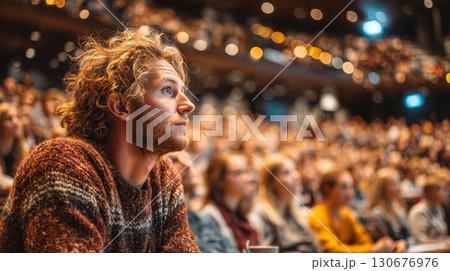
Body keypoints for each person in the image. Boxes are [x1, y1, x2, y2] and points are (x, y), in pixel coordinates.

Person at [0, 27, 200, 252]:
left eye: (182, 91)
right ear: (121, 106)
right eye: (167, 90)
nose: (189, 105)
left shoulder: (164, 178)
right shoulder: (62, 164)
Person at [309, 169, 397, 253]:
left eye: (351, 187)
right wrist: (372, 250)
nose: (350, 193)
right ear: (327, 189)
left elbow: (365, 240)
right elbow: (333, 251)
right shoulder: (318, 215)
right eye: (344, 187)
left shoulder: (346, 212)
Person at [168, 151, 238, 253]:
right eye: (174, 160)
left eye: (188, 158)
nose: (188, 164)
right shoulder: (162, 225)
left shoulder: (204, 220)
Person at [249, 155, 321, 253]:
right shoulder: (261, 214)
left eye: (295, 170)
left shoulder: (294, 212)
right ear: (271, 182)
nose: (296, 176)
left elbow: (316, 247)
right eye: (286, 173)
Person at [200, 152, 258, 252]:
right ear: (218, 180)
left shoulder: (242, 213)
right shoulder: (209, 216)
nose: (248, 178)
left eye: (247, 172)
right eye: (238, 173)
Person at [366, 167, 413, 252]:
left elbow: (411, 237)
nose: (399, 186)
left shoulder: (398, 209)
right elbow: (386, 244)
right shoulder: (377, 214)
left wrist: (404, 243)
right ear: (383, 189)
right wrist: (400, 244)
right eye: (394, 183)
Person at [408, 175, 448, 244]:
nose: (443, 193)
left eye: (443, 189)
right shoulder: (419, 211)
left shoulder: (439, 209)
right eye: (439, 189)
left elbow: (442, 236)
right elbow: (420, 239)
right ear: (429, 192)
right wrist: (442, 244)